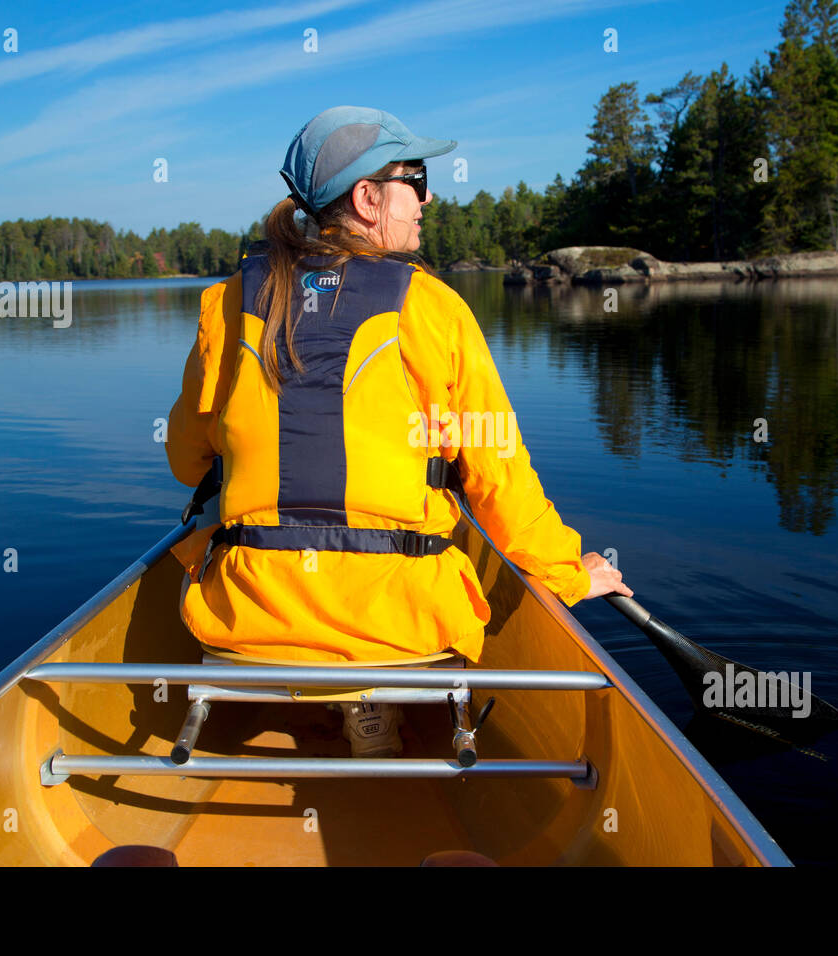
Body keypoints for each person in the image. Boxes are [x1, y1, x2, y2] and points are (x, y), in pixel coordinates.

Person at [165, 106, 631, 755]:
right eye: (416, 178)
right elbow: (503, 485)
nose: (428, 197)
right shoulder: (433, 309)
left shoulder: (225, 305)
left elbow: (188, 463)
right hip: (402, 627)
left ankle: (340, 703)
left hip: (243, 617)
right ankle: (372, 715)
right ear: (366, 197)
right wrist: (572, 577)